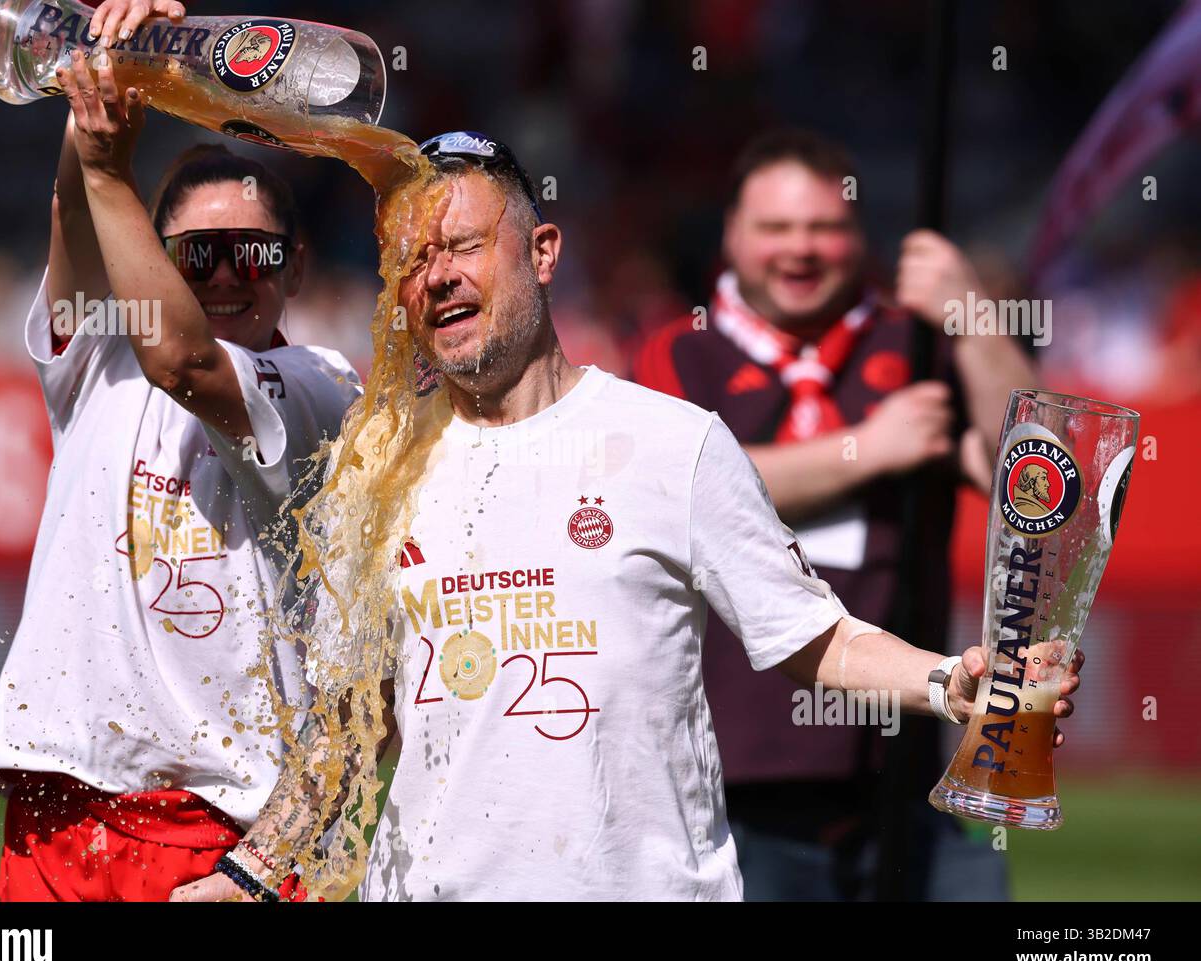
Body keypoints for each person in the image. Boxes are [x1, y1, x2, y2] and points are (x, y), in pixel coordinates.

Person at [171, 131, 1082, 902]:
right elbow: (345, 722)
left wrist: (949, 683)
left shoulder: (671, 443)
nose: (436, 277)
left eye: (462, 246)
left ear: (542, 253)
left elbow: (818, 640)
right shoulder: (377, 468)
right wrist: (247, 875)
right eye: (411, 260)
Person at [0, 19, 361, 901]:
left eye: (252, 254)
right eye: (197, 256)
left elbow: (181, 360)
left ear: (295, 269)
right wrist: (103, 72)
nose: (225, 276)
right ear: (154, 256)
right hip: (58, 808)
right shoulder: (97, 352)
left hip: (219, 832)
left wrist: (113, 172)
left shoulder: (322, 386)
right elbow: (75, 206)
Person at [633, 128, 1036, 900]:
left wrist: (971, 317)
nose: (800, 250)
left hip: (907, 767)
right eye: (775, 228)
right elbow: (669, 492)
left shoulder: (914, 343)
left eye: (825, 226)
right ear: (732, 235)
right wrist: (867, 450)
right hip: (733, 788)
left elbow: (1042, 471)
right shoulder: (678, 353)